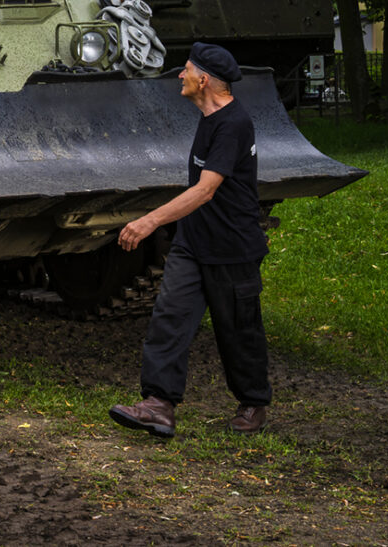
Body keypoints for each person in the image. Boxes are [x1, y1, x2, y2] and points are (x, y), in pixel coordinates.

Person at [110, 43, 270, 439]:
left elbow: (205, 190)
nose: (179, 76)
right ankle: (158, 405)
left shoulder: (233, 124)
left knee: (238, 330)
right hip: (193, 242)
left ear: (204, 81)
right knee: (170, 318)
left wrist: (149, 221)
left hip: (232, 247)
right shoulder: (209, 116)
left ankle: (253, 402)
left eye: (186, 70)